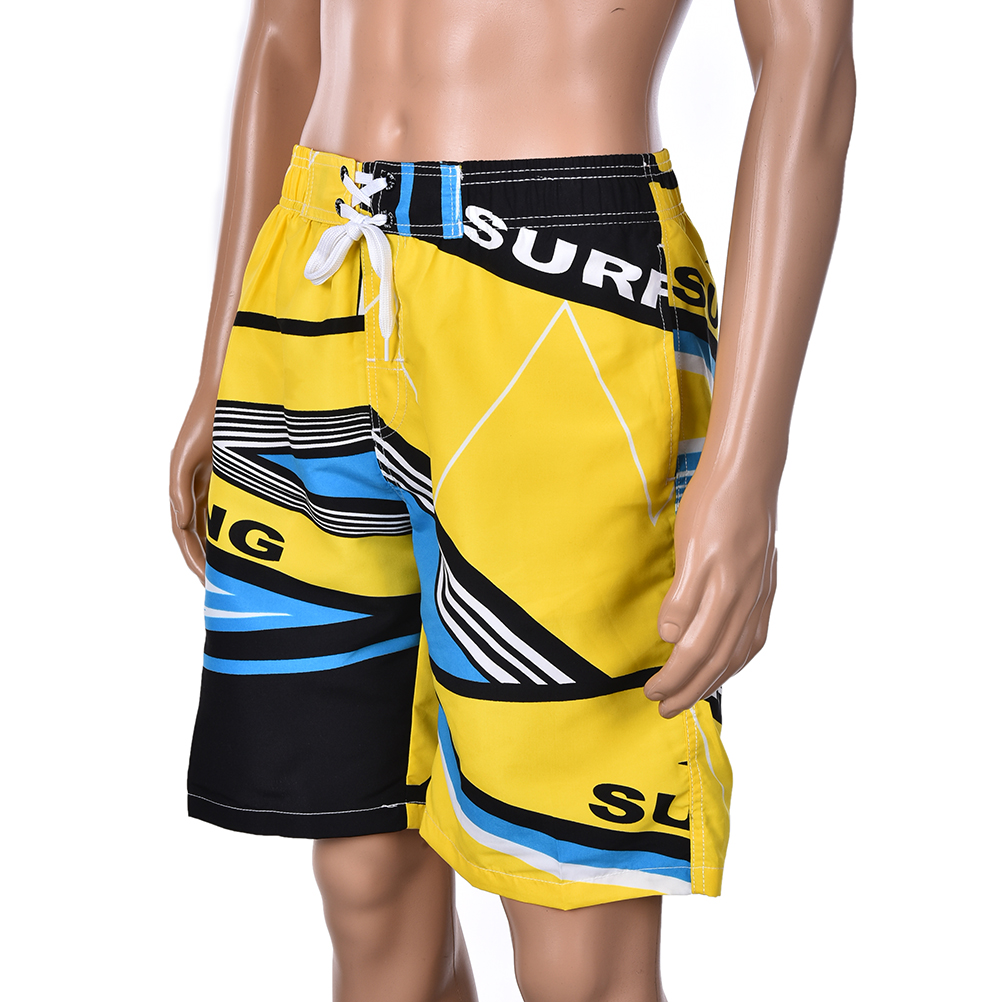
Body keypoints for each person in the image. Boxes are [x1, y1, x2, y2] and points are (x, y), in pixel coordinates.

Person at [169, 1, 855, 999]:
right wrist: (218, 364)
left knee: (575, 918)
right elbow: (286, 31)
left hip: (560, 274)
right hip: (316, 261)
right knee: (363, 876)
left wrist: (748, 468)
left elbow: (808, 55)